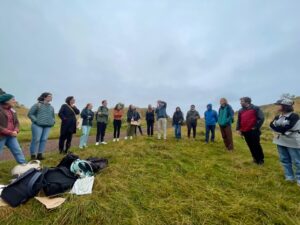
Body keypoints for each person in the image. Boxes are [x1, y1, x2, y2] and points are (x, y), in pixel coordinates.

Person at [270, 98, 300, 185]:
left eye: (279, 105)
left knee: (297, 161)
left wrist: (278, 128)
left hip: (293, 141)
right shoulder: (278, 116)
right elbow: (271, 125)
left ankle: (299, 179)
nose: (277, 106)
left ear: (285, 106)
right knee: (284, 159)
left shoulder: (294, 116)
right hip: (281, 140)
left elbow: (290, 127)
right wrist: (281, 129)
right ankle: (289, 177)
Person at [237, 97, 265, 165]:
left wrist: (255, 127)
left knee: (256, 145)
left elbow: (261, 118)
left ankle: (260, 160)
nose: (240, 103)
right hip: (245, 131)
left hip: (254, 131)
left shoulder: (255, 108)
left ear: (247, 102)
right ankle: (255, 159)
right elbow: (239, 120)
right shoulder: (240, 110)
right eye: (240, 102)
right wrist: (239, 129)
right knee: (250, 145)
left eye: (242, 101)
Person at [27, 92, 55, 160]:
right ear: (44, 97)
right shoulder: (37, 105)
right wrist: (36, 121)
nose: (51, 97)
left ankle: (40, 155)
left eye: (51, 96)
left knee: (44, 139)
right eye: (49, 96)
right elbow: (30, 114)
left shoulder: (51, 107)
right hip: (37, 125)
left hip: (48, 126)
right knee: (36, 139)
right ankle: (33, 155)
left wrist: (53, 121)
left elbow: (53, 116)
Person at [0, 94, 26, 164]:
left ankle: (24, 167)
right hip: (1, 136)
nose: (15, 101)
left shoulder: (12, 110)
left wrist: (16, 130)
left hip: (11, 136)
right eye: (13, 99)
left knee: (17, 150)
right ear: (6, 101)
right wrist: (10, 132)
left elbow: (16, 122)